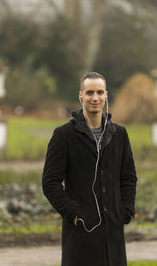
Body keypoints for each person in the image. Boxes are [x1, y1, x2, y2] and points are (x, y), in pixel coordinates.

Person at [42, 72, 137, 266]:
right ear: (81, 96)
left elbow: (128, 177)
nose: (95, 98)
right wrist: (75, 214)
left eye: (99, 92)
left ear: (106, 95)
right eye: (90, 92)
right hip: (80, 236)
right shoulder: (63, 136)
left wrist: (125, 210)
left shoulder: (119, 134)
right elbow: (50, 183)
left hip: (113, 234)